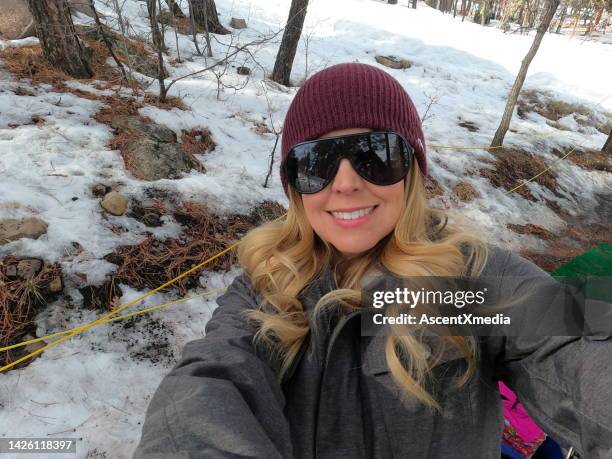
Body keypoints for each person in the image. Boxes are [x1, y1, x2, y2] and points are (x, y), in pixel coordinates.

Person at [132, 63, 612, 458]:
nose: (344, 184)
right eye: (317, 163)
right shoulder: (269, 285)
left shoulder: (470, 286)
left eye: (374, 155)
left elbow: (574, 338)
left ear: (414, 171)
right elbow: (212, 383)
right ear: (294, 185)